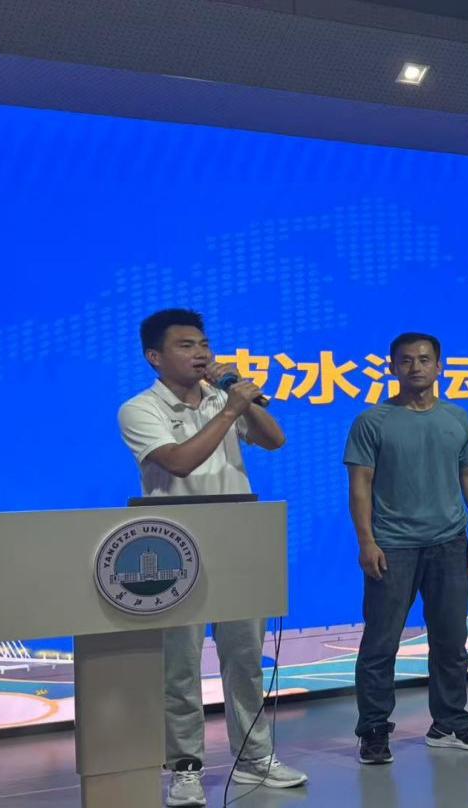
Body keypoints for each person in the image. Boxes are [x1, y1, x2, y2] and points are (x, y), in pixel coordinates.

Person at [117, 309, 308, 808]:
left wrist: (238, 398)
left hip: (237, 544)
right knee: (179, 666)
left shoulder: (223, 397)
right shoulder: (139, 409)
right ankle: (185, 768)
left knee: (244, 659)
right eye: (186, 345)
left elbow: (274, 440)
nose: (200, 353)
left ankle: (254, 758)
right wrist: (229, 411)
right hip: (172, 552)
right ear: (154, 356)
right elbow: (178, 462)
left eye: (203, 343)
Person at [345, 332, 468, 765]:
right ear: (393, 367)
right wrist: (366, 541)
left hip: (449, 544)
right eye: (407, 360)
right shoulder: (372, 421)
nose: (416, 367)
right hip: (392, 547)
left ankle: (449, 723)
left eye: (425, 359)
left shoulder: (457, 418)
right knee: (380, 644)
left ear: (439, 366)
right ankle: (374, 730)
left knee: (451, 641)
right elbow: (360, 485)